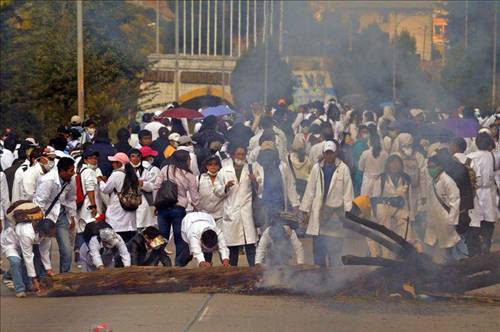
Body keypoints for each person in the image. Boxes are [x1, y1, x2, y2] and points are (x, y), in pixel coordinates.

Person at [300, 141, 353, 267]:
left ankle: (334, 281)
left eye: (331, 153)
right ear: (323, 153)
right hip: (319, 214)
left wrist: (348, 213)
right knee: (319, 252)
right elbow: (310, 190)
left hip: (335, 214)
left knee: (334, 252)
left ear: (335, 153)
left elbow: (348, 192)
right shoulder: (316, 168)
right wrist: (305, 210)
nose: (328, 156)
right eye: (326, 153)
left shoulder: (343, 168)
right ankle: (320, 280)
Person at [215, 144, 261, 266]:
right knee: (232, 248)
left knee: (251, 245)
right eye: (238, 154)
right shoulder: (224, 171)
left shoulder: (252, 168)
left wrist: (255, 182)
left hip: (247, 212)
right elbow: (216, 190)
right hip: (232, 212)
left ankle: (254, 273)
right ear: (232, 155)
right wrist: (225, 187)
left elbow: (260, 190)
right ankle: (233, 275)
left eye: (243, 154)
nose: (240, 157)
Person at [154, 150, 200, 266]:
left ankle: (154, 259)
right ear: (185, 160)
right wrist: (197, 208)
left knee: (161, 236)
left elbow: (156, 186)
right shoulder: (190, 176)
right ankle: (178, 264)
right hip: (178, 210)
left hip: (163, 208)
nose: (190, 161)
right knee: (179, 238)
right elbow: (195, 198)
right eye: (189, 159)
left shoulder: (165, 169)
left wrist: (157, 204)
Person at [33, 157, 77, 273]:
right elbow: (39, 203)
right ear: (62, 171)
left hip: (62, 216)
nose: (73, 173)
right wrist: (38, 223)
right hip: (46, 217)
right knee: (44, 250)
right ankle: (43, 278)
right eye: (71, 171)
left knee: (67, 250)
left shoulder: (71, 180)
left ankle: (64, 279)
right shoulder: (48, 180)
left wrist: (72, 217)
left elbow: (72, 198)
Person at [2, 202, 56, 296]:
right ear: (41, 232)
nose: (50, 236)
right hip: (11, 243)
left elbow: (44, 252)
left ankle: (8, 276)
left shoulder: (46, 234)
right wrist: (34, 279)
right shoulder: (27, 233)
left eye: (51, 235)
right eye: (48, 235)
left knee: (23, 264)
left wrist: (49, 269)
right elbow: (28, 257)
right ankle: (20, 290)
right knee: (16, 262)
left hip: (23, 243)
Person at [371, 155, 413, 257]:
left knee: (407, 234)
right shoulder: (381, 179)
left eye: (398, 162)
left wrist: (411, 215)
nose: (395, 165)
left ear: (401, 165)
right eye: (392, 162)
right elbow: (375, 198)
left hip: (401, 208)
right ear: (388, 165)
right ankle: (385, 257)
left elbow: (409, 198)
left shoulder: (406, 179)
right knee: (386, 234)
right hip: (384, 209)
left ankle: (405, 256)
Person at [424, 155, 462, 262]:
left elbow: (455, 201)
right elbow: (430, 203)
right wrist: (428, 219)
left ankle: (453, 267)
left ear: (440, 166)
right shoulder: (432, 181)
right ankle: (428, 266)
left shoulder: (447, 181)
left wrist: (451, 220)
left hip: (446, 219)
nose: (430, 169)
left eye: (433, 167)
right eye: (429, 167)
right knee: (430, 242)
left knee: (448, 246)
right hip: (434, 219)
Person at [467, 133, 498, 253]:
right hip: (489, 192)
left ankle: (477, 244)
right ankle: (487, 242)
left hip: (475, 191)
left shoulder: (470, 156)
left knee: (476, 219)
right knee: (489, 220)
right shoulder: (493, 156)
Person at [97, 152, 138, 243]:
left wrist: (101, 182)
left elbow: (106, 189)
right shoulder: (132, 173)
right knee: (128, 244)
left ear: (119, 163)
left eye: (114, 162)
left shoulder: (116, 174)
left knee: (117, 244)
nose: (112, 164)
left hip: (117, 211)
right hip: (130, 215)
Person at [256, 142, 300, 226]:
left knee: (279, 231)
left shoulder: (283, 166)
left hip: (280, 206)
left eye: (270, 152)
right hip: (263, 207)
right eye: (265, 152)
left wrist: (295, 203)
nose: (267, 155)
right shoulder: (256, 167)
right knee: (265, 234)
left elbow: (290, 186)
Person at [74, 149, 101, 262]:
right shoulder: (89, 171)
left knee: (81, 231)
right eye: (91, 158)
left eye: (95, 158)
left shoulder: (81, 170)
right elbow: (90, 189)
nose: (94, 160)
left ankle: (82, 259)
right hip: (88, 207)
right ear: (85, 160)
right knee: (90, 232)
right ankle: (89, 258)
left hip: (81, 207)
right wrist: (94, 206)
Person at [128, 148, 156, 230]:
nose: (135, 158)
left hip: (142, 201)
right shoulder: (124, 169)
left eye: (138, 156)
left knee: (142, 225)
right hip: (127, 201)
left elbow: (152, 186)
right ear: (129, 158)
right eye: (132, 156)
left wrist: (143, 184)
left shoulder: (146, 170)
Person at [359, 127, 389, 198]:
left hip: (367, 180)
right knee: (377, 202)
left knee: (365, 201)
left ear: (370, 141)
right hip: (379, 181)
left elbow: (361, 168)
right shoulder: (385, 154)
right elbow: (386, 169)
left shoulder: (365, 153)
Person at [198, 155, 226, 223]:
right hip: (203, 215)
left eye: (216, 164)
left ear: (219, 166)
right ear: (206, 166)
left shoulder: (224, 178)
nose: (213, 166)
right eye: (210, 164)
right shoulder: (199, 178)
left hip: (220, 215)